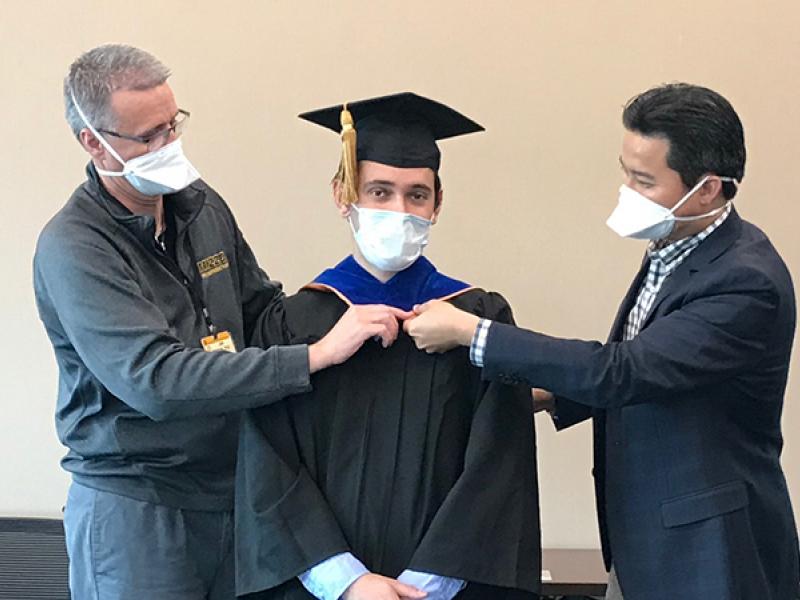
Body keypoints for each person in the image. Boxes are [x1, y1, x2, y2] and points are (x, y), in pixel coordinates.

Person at [33, 44, 407, 600]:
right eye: (148, 136)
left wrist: (359, 288)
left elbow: (263, 314)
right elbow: (157, 381)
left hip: (233, 493)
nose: (167, 145)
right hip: (139, 509)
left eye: (173, 125)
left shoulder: (200, 204)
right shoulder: (75, 247)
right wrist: (315, 356)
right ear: (93, 141)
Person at [404, 83, 799, 600]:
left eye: (644, 180)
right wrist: (550, 395)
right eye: (625, 171)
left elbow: (625, 371)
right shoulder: (675, 246)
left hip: (708, 555)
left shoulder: (746, 280)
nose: (627, 190)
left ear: (706, 189)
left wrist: (472, 332)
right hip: (644, 545)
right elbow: (664, 369)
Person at [235, 93, 541, 600]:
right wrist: (346, 581)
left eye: (416, 195)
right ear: (343, 195)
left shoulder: (473, 319)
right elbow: (268, 462)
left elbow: (499, 462)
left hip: (445, 590)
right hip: (324, 588)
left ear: (437, 204)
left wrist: (428, 584)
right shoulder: (295, 323)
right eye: (379, 192)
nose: (399, 211)